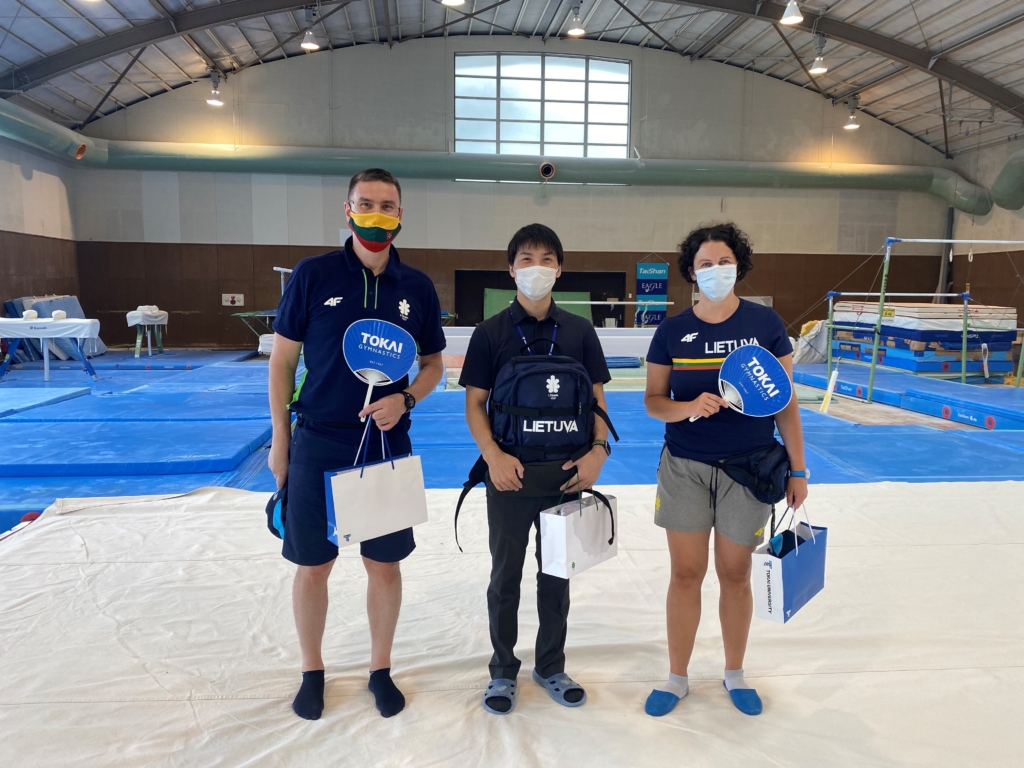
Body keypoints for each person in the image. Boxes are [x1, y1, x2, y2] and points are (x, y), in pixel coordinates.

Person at [268, 168, 446, 721]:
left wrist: (407, 399)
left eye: (387, 206)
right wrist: (280, 441)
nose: (376, 213)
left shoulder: (416, 287)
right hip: (317, 442)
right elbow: (282, 361)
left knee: (383, 565)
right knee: (313, 566)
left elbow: (435, 364)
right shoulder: (313, 275)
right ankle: (312, 671)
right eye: (365, 203)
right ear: (347, 209)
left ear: (400, 215)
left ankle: (380, 669)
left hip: (384, 447)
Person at [642, 222, 808, 717]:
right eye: (705, 264)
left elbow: (785, 402)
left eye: (724, 261)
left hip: (749, 470)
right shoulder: (671, 331)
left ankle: (734, 673)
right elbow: (653, 402)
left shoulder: (765, 325)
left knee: (735, 575)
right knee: (686, 573)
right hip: (685, 467)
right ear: (691, 273)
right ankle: (676, 678)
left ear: (739, 265)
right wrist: (688, 406)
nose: (716, 270)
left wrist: (798, 470)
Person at [460, 223, 612, 715]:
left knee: (556, 578)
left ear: (560, 269)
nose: (537, 268)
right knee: (505, 578)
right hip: (509, 477)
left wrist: (598, 452)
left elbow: (597, 400)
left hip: (565, 477)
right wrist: (493, 456)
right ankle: (503, 672)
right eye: (526, 259)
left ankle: (550, 665)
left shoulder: (580, 331)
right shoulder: (490, 333)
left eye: (547, 259)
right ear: (511, 269)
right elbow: (475, 404)